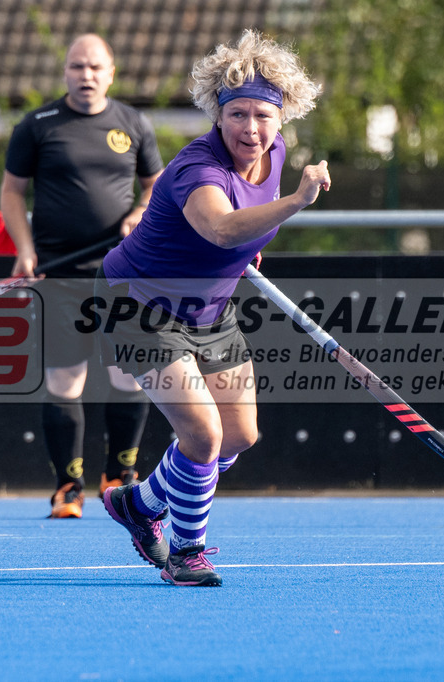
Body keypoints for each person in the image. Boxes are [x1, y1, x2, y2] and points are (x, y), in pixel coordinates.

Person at [96, 29, 328, 586]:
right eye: (238, 115)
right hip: (140, 306)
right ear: (217, 115)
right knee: (203, 435)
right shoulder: (195, 169)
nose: (251, 129)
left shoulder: (274, 152)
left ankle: (140, 504)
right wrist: (295, 203)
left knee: (241, 435)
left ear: (283, 117)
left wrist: (260, 245)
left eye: (263, 116)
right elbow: (222, 228)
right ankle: (186, 551)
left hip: (210, 310)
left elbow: (247, 223)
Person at [0, 34, 164, 518]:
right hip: (59, 273)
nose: (86, 75)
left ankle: (120, 477)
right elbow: (11, 193)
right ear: (65, 72)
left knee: (128, 375)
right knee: (66, 379)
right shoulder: (37, 125)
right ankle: (67, 487)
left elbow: (157, 188)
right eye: (77, 67)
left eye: (95, 67)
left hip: (124, 275)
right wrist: (25, 250)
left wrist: (140, 211)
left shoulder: (133, 123)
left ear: (111, 72)